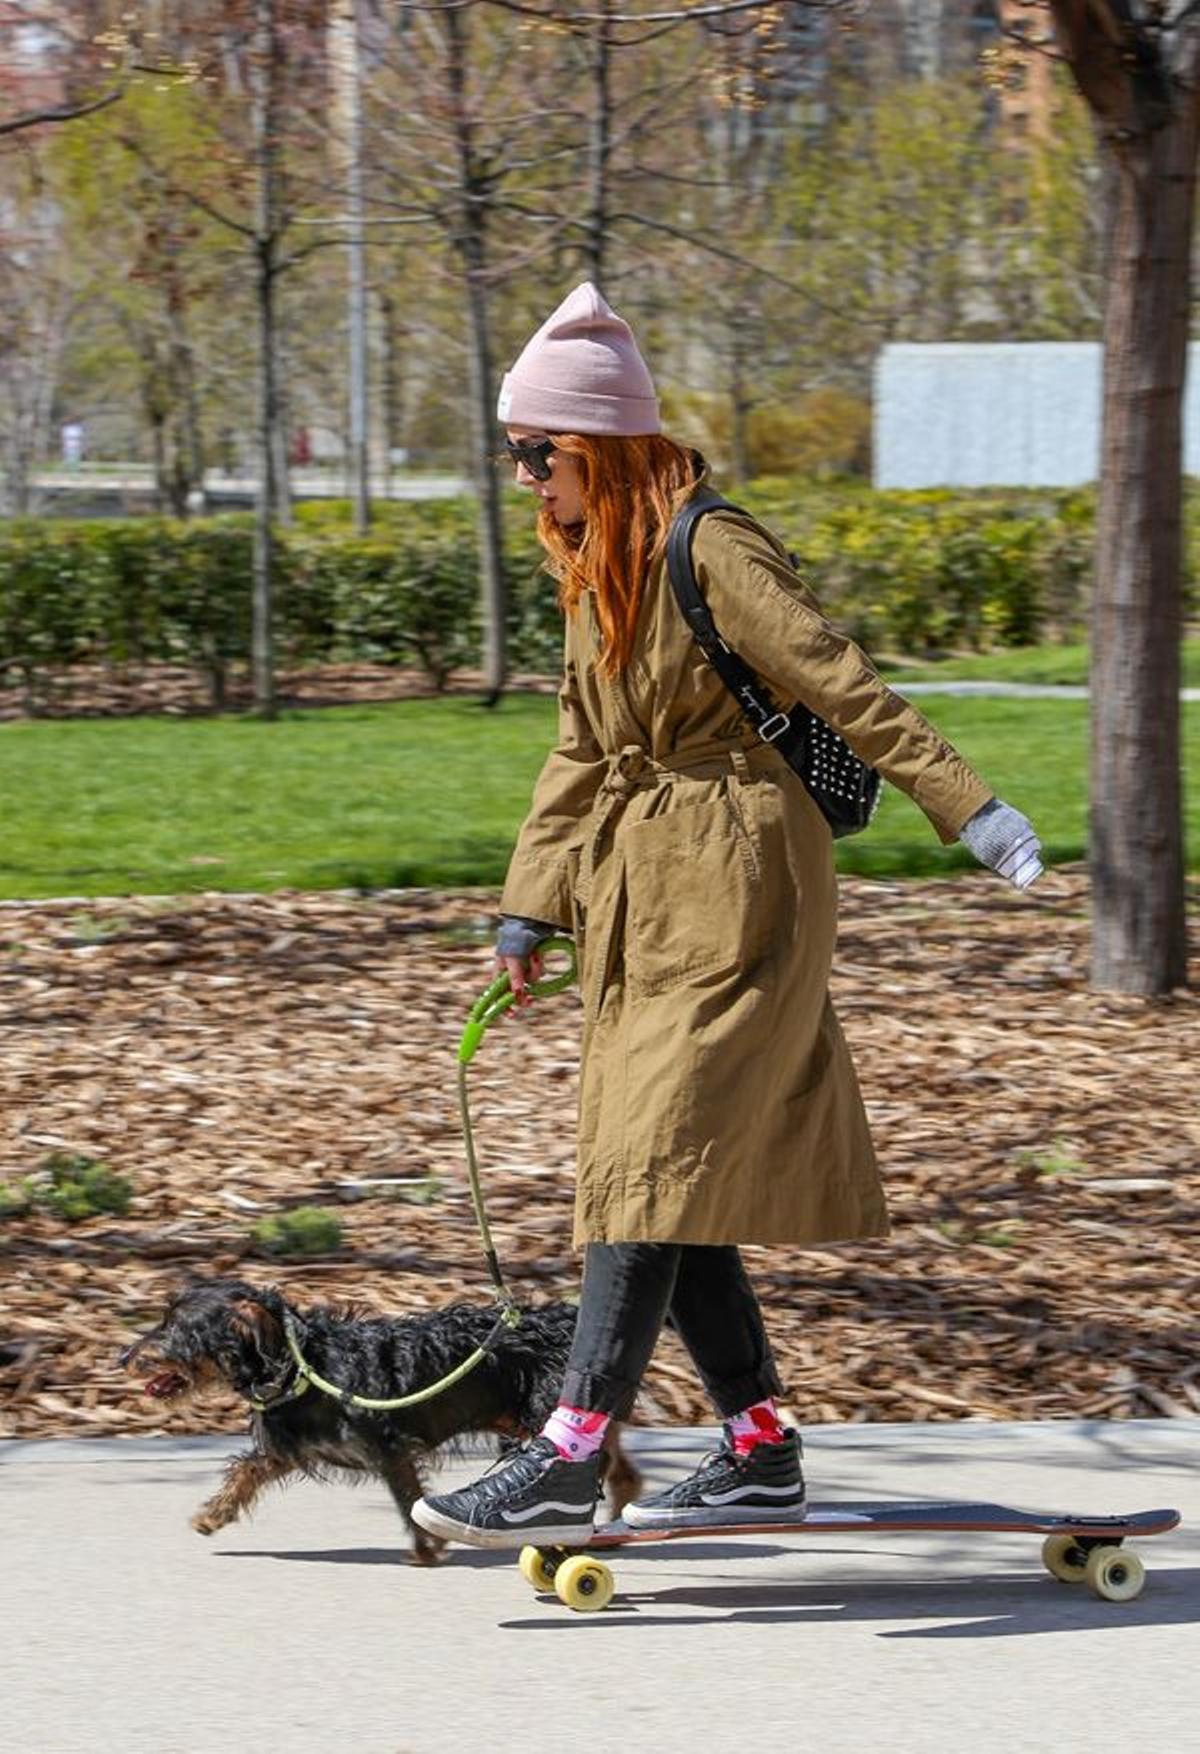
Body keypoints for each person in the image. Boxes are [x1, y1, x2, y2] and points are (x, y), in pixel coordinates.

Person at [411, 283, 1042, 1550]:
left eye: (536, 454)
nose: (523, 478)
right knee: (662, 1161)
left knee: (646, 1156)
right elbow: (579, 748)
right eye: (517, 454)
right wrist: (528, 908)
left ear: (594, 446)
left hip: (746, 880)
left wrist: (968, 805)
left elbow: (838, 677)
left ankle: (569, 1449)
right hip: (638, 894)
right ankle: (759, 1445)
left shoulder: (713, 547)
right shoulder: (597, 570)